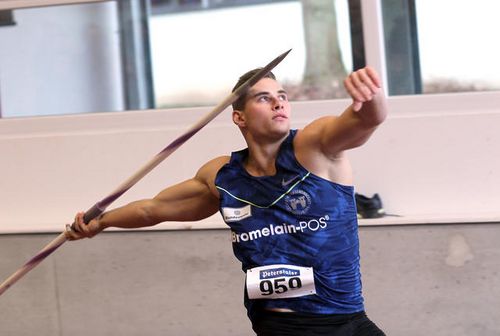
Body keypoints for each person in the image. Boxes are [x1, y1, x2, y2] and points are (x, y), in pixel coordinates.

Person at [67, 65, 388, 336]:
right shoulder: (222, 176)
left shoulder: (314, 146)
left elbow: (366, 120)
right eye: (265, 98)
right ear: (239, 118)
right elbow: (153, 209)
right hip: (278, 325)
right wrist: (101, 222)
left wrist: (371, 96)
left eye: (282, 97)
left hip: (346, 320)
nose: (279, 104)